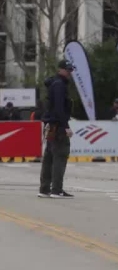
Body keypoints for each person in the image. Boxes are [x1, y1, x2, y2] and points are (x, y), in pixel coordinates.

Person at [39, 60, 75, 199]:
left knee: (49, 157)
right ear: (60, 70)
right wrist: (66, 126)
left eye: (70, 70)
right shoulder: (60, 85)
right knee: (60, 156)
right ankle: (56, 190)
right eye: (67, 70)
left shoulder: (54, 83)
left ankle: (44, 189)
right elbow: (59, 108)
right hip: (58, 126)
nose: (69, 73)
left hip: (51, 125)